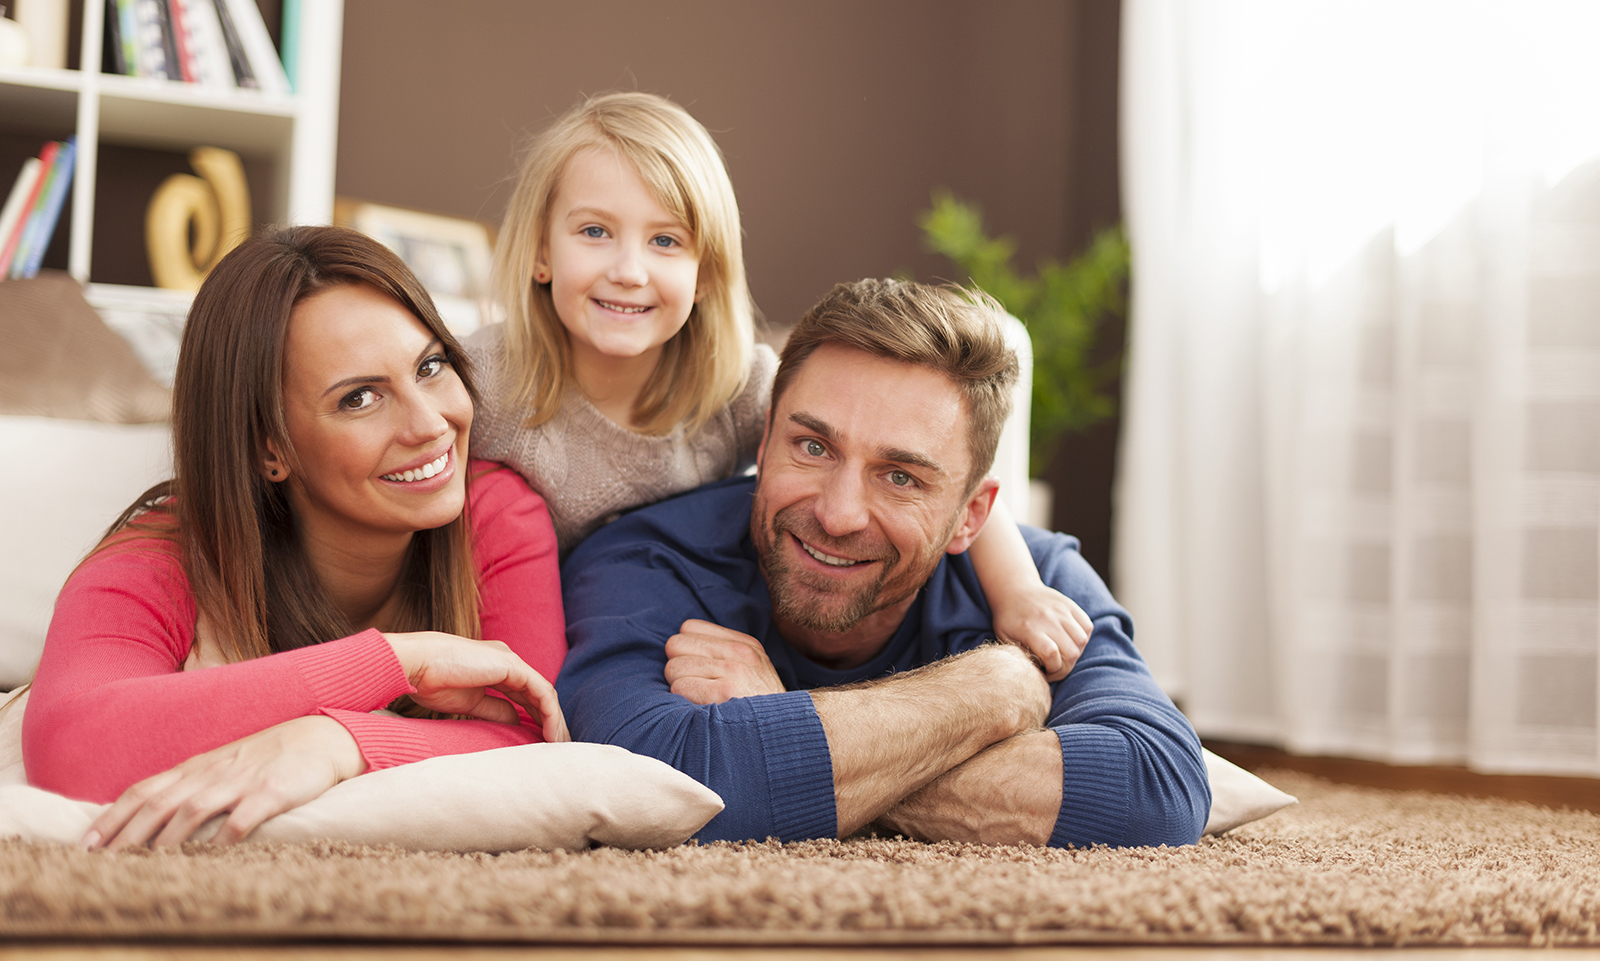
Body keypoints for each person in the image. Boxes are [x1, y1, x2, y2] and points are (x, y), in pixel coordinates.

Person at [557, 279, 1210, 848]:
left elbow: (1157, 789)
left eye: (900, 476)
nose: (839, 513)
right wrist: (989, 693)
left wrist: (782, 718)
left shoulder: (1035, 587)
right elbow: (641, 775)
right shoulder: (643, 559)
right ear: (765, 439)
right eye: (812, 446)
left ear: (971, 517)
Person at [467, 91, 1093, 681]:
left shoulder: (737, 388)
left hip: (650, 628)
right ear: (540, 253)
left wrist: (1019, 592)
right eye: (595, 232)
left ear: (706, 274)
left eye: (665, 241)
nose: (629, 271)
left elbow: (953, 482)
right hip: (505, 624)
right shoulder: (484, 383)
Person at [22, 226, 568, 850]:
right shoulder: (162, 557)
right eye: (360, 398)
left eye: (430, 366)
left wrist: (333, 740)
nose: (430, 424)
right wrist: (397, 661)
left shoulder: (497, 513)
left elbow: (535, 733)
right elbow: (71, 750)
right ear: (268, 448)